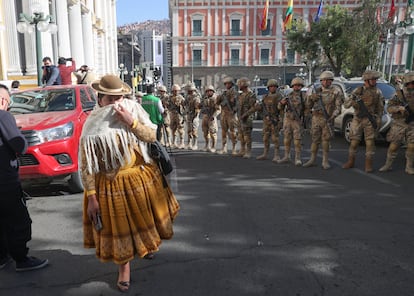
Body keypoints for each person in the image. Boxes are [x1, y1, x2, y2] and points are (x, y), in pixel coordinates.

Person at [80, 75, 179, 292]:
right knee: (121, 229)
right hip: (111, 183)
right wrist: (92, 197)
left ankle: (145, 246)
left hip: (139, 177)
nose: (116, 104)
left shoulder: (132, 109)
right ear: (100, 99)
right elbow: (86, 165)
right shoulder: (92, 123)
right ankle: (124, 269)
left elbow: (151, 135)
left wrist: (131, 122)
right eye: (110, 99)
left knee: (145, 221)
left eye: (120, 98)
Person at [0, 84, 49, 272]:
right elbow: (19, 146)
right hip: (5, 180)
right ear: (4, 101)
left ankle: (2, 257)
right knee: (17, 220)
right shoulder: (3, 116)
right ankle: (22, 258)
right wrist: (19, 134)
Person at [342, 70, 384, 173]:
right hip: (358, 119)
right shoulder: (358, 90)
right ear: (367, 80)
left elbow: (380, 108)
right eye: (373, 79)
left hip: (370, 119)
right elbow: (346, 104)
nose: (375, 81)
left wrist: (378, 120)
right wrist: (353, 102)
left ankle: (368, 164)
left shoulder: (378, 92)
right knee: (354, 142)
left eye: (375, 79)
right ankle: (351, 161)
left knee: (370, 143)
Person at [303, 71, 343, 169]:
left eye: (327, 80)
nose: (325, 82)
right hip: (316, 118)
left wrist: (332, 117)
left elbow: (338, 107)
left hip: (328, 119)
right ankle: (312, 159)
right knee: (315, 140)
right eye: (323, 80)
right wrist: (311, 98)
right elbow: (308, 107)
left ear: (331, 81)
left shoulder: (336, 91)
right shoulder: (316, 91)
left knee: (325, 141)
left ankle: (325, 161)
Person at [379, 71, 414, 174]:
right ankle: (388, 165)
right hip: (400, 123)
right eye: (410, 82)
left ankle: (409, 167)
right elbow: (389, 108)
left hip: (412, 123)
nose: (412, 84)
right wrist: (399, 108)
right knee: (394, 145)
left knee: (412, 146)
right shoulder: (399, 94)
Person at [277, 77, 307, 166]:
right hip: (288, 120)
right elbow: (280, 108)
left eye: (299, 85)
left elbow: (307, 108)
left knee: (297, 141)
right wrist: (281, 103)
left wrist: (304, 118)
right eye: (295, 85)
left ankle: (297, 158)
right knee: (286, 139)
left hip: (297, 121)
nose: (297, 87)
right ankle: (287, 156)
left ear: (301, 86)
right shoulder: (288, 96)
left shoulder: (303, 96)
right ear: (292, 86)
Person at [255, 79, 283, 162]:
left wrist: (280, 121)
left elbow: (281, 109)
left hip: (275, 119)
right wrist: (258, 107)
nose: (273, 88)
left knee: (275, 139)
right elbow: (261, 108)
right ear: (268, 88)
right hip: (266, 120)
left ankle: (276, 155)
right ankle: (265, 153)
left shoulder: (279, 96)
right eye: (271, 87)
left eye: (274, 86)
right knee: (265, 138)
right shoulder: (265, 97)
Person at [216, 76, 239, 155]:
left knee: (233, 132)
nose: (227, 85)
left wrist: (234, 110)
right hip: (223, 114)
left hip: (231, 114)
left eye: (228, 83)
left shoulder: (235, 93)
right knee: (223, 132)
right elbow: (217, 103)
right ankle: (224, 148)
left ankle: (234, 148)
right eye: (226, 84)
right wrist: (218, 97)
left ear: (232, 84)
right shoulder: (224, 93)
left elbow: (238, 104)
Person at [236, 77, 257, 158]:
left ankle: (248, 151)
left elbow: (253, 107)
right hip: (240, 117)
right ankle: (242, 149)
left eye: (240, 84)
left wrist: (246, 114)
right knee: (241, 135)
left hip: (247, 118)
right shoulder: (241, 95)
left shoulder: (251, 95)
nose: (238, 86)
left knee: (247, 136)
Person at [200, 85, 221, 152]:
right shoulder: (205, 98)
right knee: (205, 132)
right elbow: (201, 106)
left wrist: (214, 116)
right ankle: (207, 145)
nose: (209, 92)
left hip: (211, 117)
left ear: (212, 91)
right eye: (207, 91)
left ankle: (213, 147)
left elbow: (218, 109)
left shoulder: (215, 99)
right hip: (205, 117)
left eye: (210, 91)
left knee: (213, 133)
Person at [168, 84, 186, 149]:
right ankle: (174, 142)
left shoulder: (181, 98)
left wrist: (184, 115)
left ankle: (182, 142)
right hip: (172, 114)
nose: (175, 92)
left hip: (179, 115)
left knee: (180, 129)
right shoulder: (170, 98)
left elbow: (184, 106)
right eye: (174, 91)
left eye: (176, 91)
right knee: (173, 129)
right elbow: (168, 105)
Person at [184, 83, 201, 150]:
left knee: (194, 131)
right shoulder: (188, 97)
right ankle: (189, 143)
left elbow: (197, 108)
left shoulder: (196, 98)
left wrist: (194, 116)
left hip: (194, 116)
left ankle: (195, 144)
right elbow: (185, 104)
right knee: (189, 131)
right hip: (189, 115)